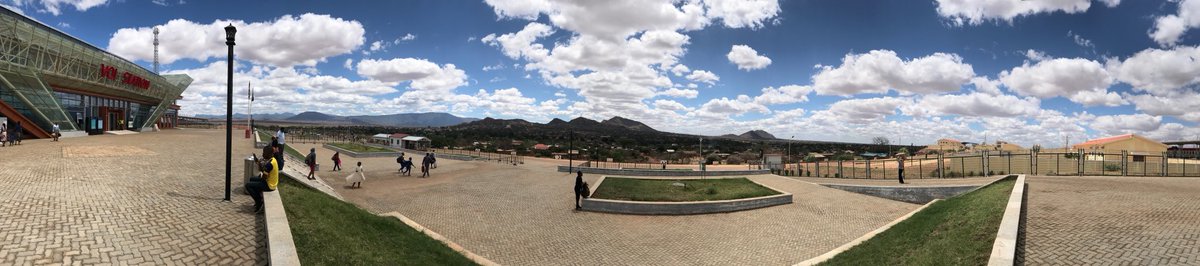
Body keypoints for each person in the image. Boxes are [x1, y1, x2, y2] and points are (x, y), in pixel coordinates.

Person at [246, 146, 280, 214]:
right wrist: (258, 162)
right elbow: (264, 171)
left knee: (248, 185)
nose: (263, 154)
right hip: (269, 181)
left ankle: (259, 202)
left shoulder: (270, 164)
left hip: (269, 185)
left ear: (269, 154)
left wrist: (261, 168)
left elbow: (263, 178)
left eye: (264, 153)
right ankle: (259, 197)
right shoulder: (273, 159)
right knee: (251, 179)